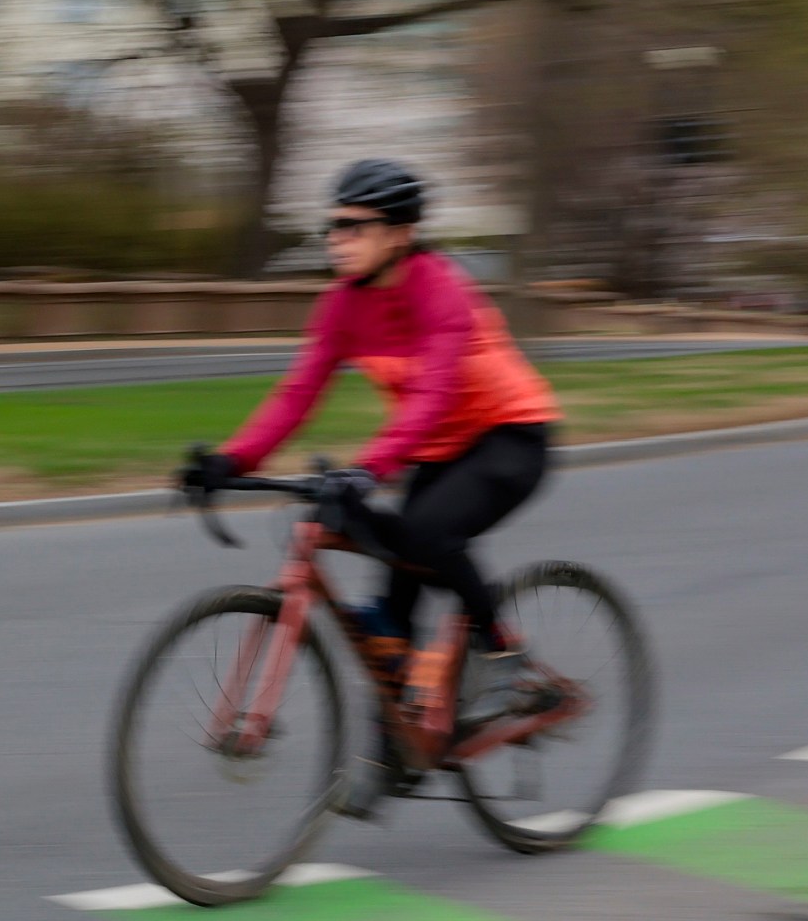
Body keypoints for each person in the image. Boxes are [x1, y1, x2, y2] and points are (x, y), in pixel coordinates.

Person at [185, 157, 561, 764]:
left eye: (355, 226)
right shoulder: (341, 305)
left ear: (400, 234)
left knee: (426, 533)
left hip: (510, 435)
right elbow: (297, 394)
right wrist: (234, 460)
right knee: (387, 600)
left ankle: (504, 659)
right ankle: (403, 748)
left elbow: (435, 398)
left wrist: (370, 467)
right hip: (433, 450)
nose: (338, 240)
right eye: (333, 227)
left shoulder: (441, 291)